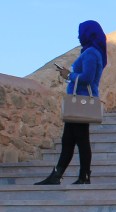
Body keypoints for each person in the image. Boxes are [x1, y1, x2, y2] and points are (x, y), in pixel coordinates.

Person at [35, 20, 107, 185]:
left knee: (80, 139)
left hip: (80, 101)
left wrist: (68, 75)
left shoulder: (90, 53)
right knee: (69, 139)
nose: (78, 36)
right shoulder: (94, 52)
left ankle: (80, 176)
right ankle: (59, 175)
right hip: (80, 101)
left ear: (88, 34)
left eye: (81, 32)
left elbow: (88, 78)